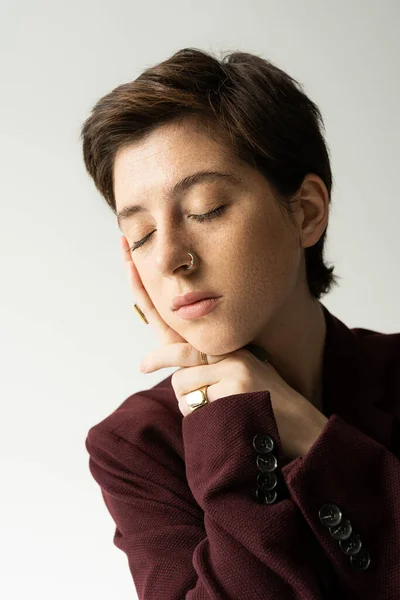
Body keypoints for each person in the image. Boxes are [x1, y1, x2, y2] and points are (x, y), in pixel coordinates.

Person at [81, 47, 400, 599]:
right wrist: (230, 422)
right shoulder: (136, 445)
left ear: (305, 212)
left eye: (205, 208)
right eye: (142, 234)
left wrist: (312, 435)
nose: (170, 259)